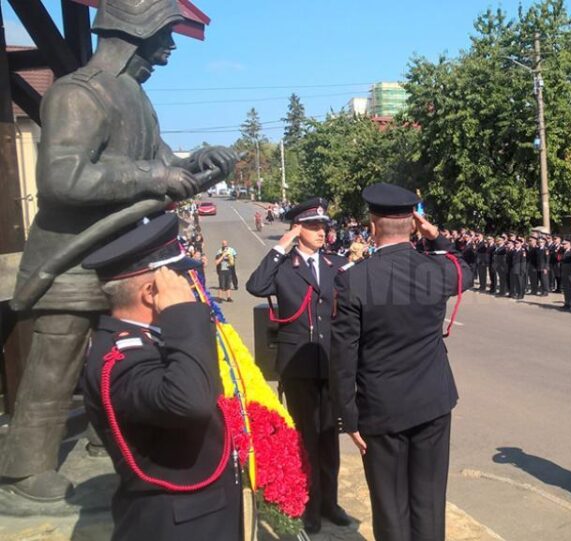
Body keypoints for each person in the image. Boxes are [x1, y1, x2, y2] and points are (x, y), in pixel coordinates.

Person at [1, 0, 239, 500]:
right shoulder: (76, 94)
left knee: (123, 351)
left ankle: (100, 437)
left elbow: (157, 160)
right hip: (71, 260)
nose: (169, 50)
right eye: (163, 38)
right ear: (134, 34)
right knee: (55, 362)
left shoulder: (134, 96)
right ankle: (25, 470)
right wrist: (156, 175)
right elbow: (62, 178)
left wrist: (195, 161)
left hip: (122, 259)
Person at [80, 214, 241, 539]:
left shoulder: (150, 337)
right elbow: (190, 401)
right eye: (180, 279)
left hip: (204, 514)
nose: (190, 287)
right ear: (152, 292)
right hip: (177, 527)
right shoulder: (120, 357)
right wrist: (182, 312)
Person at [332, 183, 472, 541]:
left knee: (390, 505)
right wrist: (437, 236)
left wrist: (348, 417)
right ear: (413, 224)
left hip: (381, 408)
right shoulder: (436, 272)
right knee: (429, 500)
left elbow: (343, 355)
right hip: (432, 402)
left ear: (373, 226)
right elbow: (465, 272)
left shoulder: (354, 280)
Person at [245, 198, 350, 532]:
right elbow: (255, 286)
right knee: (306, 438)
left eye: (324, 226)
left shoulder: (335, 265)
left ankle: (330, 503)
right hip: (297, 366)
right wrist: (281, 245)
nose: (322, 232)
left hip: (329, 363)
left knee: (329, 436)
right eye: (314, 226)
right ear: (298, 229)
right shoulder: (284, 266)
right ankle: (312, 506)